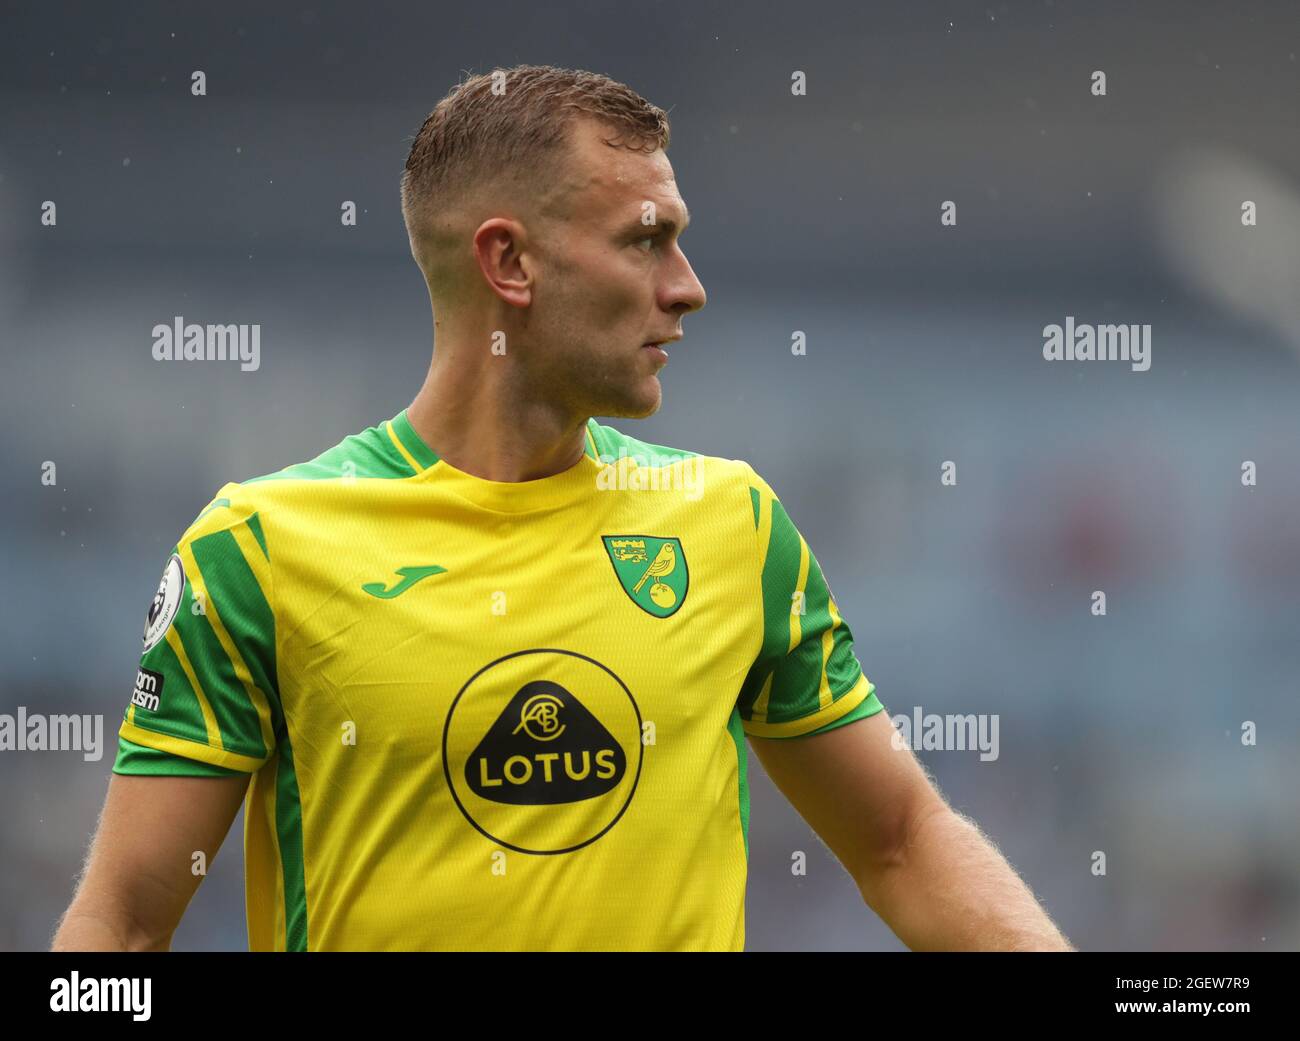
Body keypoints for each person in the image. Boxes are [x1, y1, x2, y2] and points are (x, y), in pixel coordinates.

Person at [53, 65, 1071, 952]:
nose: (688, 288)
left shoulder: (730, 525)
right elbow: (127, 922)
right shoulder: (258, 552)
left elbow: (899, 839)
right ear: (509, 263)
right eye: (646, 242)